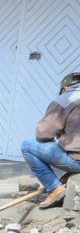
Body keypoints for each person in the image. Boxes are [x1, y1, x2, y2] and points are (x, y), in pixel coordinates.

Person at [19, 71, 80, 210]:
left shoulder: (66, 98)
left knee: (28, 146)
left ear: (65, 88)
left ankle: (54, 188)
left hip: (77, 160)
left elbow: (43, 133)